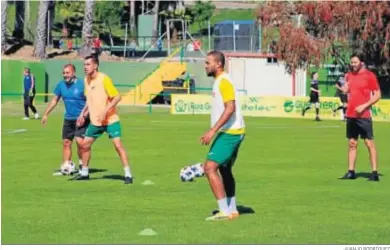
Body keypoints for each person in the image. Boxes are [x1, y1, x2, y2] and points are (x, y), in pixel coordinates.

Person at [73, 55, 134, 184]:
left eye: (88, 64)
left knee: (117, 145)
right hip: (96, 121)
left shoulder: (104, 79)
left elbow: (117, 97)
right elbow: (90, 101)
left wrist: (105, 110)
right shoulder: (86, 80)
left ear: (95, 66)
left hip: (110, 119)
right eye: (84, 64)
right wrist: (82, 114)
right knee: (84, 145)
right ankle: (84, 173)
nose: (85, 67)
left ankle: (128, 174)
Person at [201, 50, 245, 221]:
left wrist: (212, 131)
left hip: (230, 132)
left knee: (209, 168)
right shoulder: (221, 80)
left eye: (207, 63)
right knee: (225, 169)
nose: (205, 66)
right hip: (233, 131)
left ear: (218, 64)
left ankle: (223, 211)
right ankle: (231, 209)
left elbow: (230, 108)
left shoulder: (224, 82)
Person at [41, 64, 89, 175]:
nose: (65, 75)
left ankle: (82, 165)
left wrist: (85, 115)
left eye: (67, 73)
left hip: (81, 119)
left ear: (74, 73)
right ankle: (67, 166)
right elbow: (54, 100)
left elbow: (90, 101)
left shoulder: (83, 84)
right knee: (66, 143)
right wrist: (46, 114)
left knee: (80, 142)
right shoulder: (61, 85)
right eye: (63, 73)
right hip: (68, 119)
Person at [340, 54, 381, 181]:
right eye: (351, 62)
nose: (353, 64)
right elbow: (347, 91)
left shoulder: (370, 76)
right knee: (352, 143)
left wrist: (364, 106)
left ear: (361, 63)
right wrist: (344, 90)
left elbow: (378, 95)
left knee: (369, 143)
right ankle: (351, 171)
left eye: (355, 62)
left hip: (364, 115)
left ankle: (374, 173)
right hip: (351, 115)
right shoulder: (348, 75)